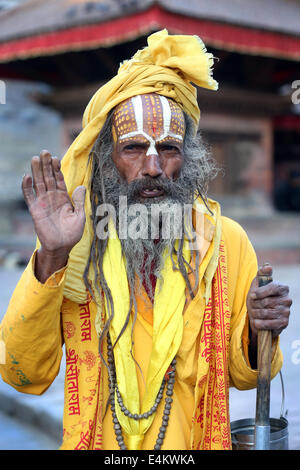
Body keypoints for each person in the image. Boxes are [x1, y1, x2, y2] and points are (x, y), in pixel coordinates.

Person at [0, 30, 291, 450]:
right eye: (134, 148)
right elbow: (22, 373)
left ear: (187, 157)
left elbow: (243, 376)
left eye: (168, 148)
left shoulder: (227, 241)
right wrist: (52, 255)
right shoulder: (77, 247)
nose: (153, 166)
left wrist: (258, 329)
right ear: (107, 158)